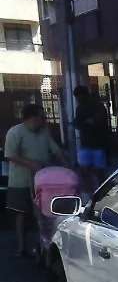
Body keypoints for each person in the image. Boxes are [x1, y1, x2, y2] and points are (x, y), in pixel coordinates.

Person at [4, 104, 66, 257]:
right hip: (22, 180)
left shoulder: (44, 131)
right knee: (22, 213)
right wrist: (31, 165)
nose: (43, 120)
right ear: (32, 118)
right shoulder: (15, 132)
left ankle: (46, 244)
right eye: (41, 117)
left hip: (44, 181)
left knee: (45, 213)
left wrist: (66, 163)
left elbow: (55, 149)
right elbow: (10, 155)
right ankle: (21, 246)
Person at [73, 85, 110, 194]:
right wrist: (87, 122)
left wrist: (85, 122)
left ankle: (98, 193)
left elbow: (96, 122)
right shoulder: (81, 108)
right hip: (90, 144)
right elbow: (79, 123)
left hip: (97, 144)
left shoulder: (97, 107)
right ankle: (96, 193)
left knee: (97, 172)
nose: (79, 100)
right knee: (90, 172)